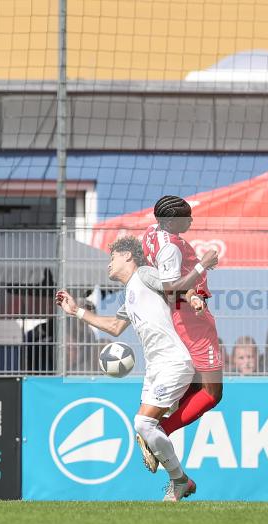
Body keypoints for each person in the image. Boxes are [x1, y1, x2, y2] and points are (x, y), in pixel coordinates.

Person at [55, 236, 196, 502]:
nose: (108, 264)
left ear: (128, 257)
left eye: (112, 258)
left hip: (173, 361)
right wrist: (76, 312)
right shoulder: (130, 294)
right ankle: (166, 457)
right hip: (155, 368)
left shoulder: (144, 274)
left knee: (143, 424)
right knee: (145, 427)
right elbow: (114, 327)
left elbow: (171, 287)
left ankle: (180, 481)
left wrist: (192, 295)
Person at [137, 195, 222, 471]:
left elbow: (162, 279)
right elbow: (171, 287)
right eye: (187, 218)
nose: (191, 220)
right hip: (192, 320)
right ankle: (158, 431)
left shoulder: (151, 233)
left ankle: (157, 427)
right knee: (212, 392)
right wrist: (202, 266)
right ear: (171, 221)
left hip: (183, 312)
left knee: (196, 385)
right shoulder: (171, 248)